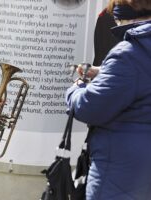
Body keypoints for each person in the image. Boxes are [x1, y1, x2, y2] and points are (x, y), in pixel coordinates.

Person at [65, 0, 151, 199]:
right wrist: (104, 73)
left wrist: (75, 89)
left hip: (123, 169)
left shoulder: (127, 54)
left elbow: (89, 107)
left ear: (121, 16)